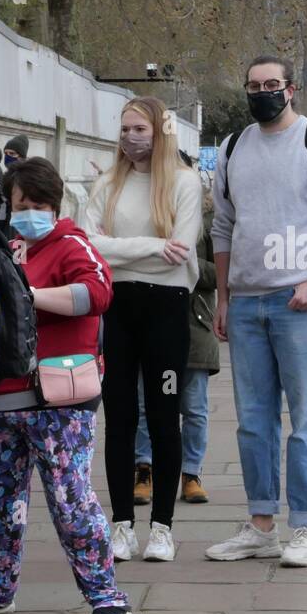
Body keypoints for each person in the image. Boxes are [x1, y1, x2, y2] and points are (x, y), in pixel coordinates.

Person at [0, 157, 128, 614]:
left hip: (61, 401)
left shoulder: (72, 243)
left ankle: (105, 594)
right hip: (2, 399)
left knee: (70, 500)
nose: (29, 213)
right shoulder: (5, 247)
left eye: (38, 205)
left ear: (55, 205)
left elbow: (98, 293)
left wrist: (28, 294)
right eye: (20, 205)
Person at [207, 56, 307, 566]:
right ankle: (260, 525)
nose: (263, 92)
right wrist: (224, 297)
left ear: (291, 89)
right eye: (254, 85)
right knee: (253, 421)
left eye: (272, 84)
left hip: (301, 302)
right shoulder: (231, 148)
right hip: (247, 301)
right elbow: (223, 228)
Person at [85, 97, 203, 563]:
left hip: (167, 308)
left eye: (140, 129)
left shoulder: (184, 182)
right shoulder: (108, 182)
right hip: (118, 307)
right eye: (124, 128)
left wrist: (121, 249)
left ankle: (162, 527)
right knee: (118, 418)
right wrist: (153, 245)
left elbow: (184, 246)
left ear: (159, 132)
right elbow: (90, 245)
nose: (130, 137)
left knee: (163, 417)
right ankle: (121, 525)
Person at [134, 185, 219, 506]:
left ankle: (191, 473)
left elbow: (222, 273)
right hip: (149, 324)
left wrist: (187, 262)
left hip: (194, 327)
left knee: (194, 409)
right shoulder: (140, 221)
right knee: (145, 407)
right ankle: (144, 469)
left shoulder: (208, 224)